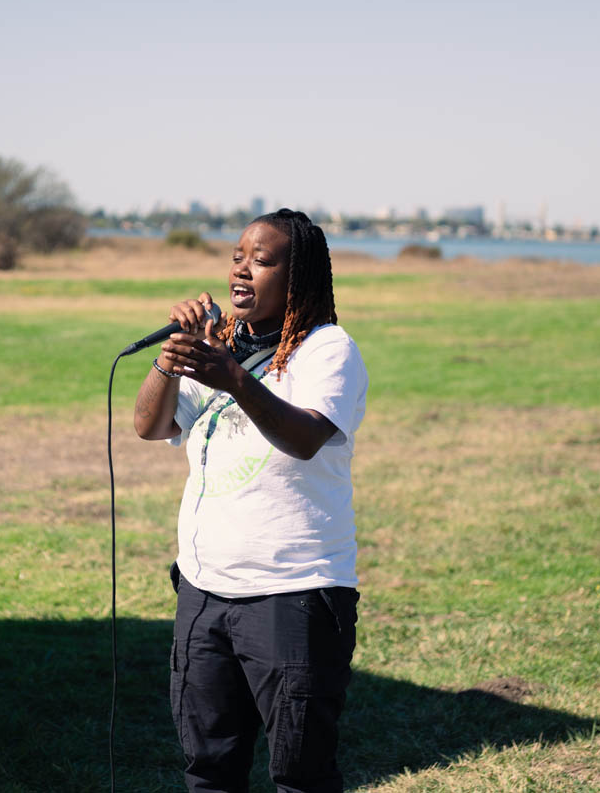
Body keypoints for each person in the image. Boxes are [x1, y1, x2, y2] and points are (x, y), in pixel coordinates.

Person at [133, 209, 368, 792]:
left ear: (299, 277)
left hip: (294, 594)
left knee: (300, 776)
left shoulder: (327, 350)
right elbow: (148, 424)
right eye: (238, 256)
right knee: (209, 770)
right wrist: (174, 352)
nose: (243, 269)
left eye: (262, 260)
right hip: (205, 591)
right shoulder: (218, 346)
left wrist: (234, 377)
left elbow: (306, 437)